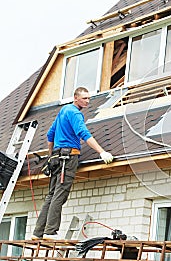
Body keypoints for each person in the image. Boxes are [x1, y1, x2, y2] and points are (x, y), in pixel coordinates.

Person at [32, 87, 114, 240]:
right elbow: (83, 133)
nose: (87, 101)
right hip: (68, 158)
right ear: (75, 98)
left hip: (57, 156)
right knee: (60, 194)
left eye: (89, 98)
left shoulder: (63, 111)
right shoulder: (75, 113)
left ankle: (37, 233)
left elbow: (50, 135)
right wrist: (101, 152)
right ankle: (50, 232)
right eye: (84, 98)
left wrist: (51, 156)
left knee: (51, 195)